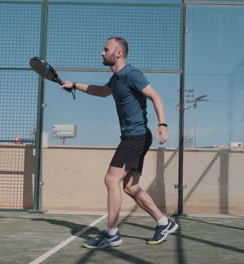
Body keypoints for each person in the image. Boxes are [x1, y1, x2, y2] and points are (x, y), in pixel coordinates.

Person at [60, 37, 178, 248]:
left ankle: (112, 234)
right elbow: (102, 91)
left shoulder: (131, 74)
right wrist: (75, 85)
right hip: (134, 136)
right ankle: (164, 222)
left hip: (136, 136)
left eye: (106, 49)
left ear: (118, 53)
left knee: (110, 180)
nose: (101, 52)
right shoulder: (116, 79)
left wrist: (163, 124)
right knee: (131, 187)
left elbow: (156, 97)